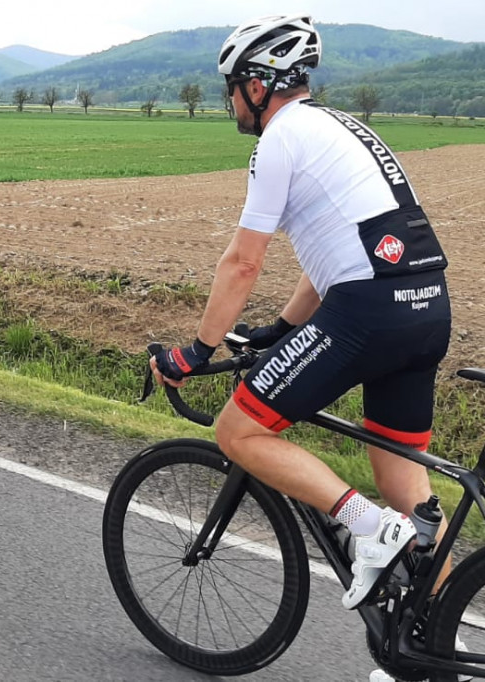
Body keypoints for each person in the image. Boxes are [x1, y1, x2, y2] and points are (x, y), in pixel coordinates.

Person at [150, 14, 453, 620]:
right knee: (404, 487)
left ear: (258, 87)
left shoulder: (281, 138)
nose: (230, 100)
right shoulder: (342, 128)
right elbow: (332, 257)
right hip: (426, 310)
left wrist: (197, 351)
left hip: (368, 313)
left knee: (239, 432)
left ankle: (369, 529)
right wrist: (285, 330)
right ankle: (436, 637)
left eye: (231, 86)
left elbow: (242, 263)